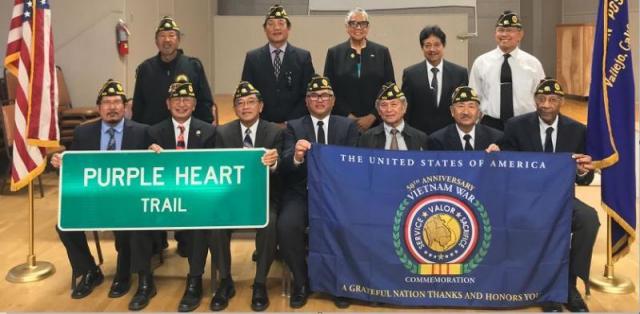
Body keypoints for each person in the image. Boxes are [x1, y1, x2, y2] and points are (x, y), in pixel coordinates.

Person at [487, 78, 599, 312]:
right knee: (536, 223)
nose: (546, 104)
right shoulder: (516, 126)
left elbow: (585, 178)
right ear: (534, 100)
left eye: (552, 100)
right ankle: (545, 288)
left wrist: (582, 171)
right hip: (525, 201)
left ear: (562, 102)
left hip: (561, 200)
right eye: (541, 99)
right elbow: (506, 169)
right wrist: (496, 154)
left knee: (588, 219)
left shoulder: (578, 130)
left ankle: (568, 285)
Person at [187, 81, 282, 312]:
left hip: (263, 198)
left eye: (251, 102)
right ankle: (225, 281)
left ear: (261, 106)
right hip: (230, 199)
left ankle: (260, 283)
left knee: (269, 223)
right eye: (240, 103)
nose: (246, 106)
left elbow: (283, 173)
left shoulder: (275, 132)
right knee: (216, 223)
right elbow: (212, 168)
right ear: (235, 108)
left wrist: (274, 163)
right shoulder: (223, 132)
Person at [51, 79, 148, 300]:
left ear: (125, 107)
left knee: (126, 220)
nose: (112, 107)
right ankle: (89, 270)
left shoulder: (142, 133)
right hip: (95, 200)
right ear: (98, 108)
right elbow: (74, 170)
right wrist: (60, 164)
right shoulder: (83, 133)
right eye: (106, 102)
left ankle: (123, 274)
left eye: (117, 102)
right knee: (64, 224)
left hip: (128, 200)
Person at [129, 75, 216, 311]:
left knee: (201, 220)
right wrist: (148, 155)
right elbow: (143, 174)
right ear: (167, 104)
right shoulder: (153, 132)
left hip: (195, 199)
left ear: (195, 104)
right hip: (162, 198)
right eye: (176, 99)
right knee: (137, 218)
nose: (181, 103)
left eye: (187, 98)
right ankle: (145, 281)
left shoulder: (208, 132)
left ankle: (195, 281)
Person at [279, 75, 359, 309]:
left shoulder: (348, 127)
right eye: (314, 96)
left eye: (325, 96)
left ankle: (339, 284)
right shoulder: (293, 127)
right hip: (301, 193)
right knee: (286, 226)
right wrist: (296, 156)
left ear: (333, 101)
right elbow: (284, 166)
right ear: (307, 101)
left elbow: (355, 165)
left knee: (345, 225)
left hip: (337, 196)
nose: (319, 99)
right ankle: (302, 282)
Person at [469, 10, 545, 130]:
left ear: (520, 35)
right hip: (491, 124)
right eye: (501, 30)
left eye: (509, 30)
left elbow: (541, 98)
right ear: (495, 34)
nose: (504, 34)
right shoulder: (481, 62)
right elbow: (474, 96)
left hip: (525, 124)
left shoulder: (533, 64)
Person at [132, 16, 214, 126]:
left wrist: (203, 132)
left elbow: (204, 103)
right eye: (162, 36)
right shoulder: (145, 69)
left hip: (188, 135)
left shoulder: (193, 66)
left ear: (178, 40)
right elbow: (138, 107)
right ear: (156, 41)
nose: (167, 40)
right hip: (153, 135)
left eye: (171, 35)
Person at [324, 7, 395, 133]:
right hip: (343, 122)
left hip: (377, 123)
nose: (358, 27)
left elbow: (389, 87)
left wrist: (373, 115)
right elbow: (329, 90)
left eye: (363, 24)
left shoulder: (382, 52)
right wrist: (348, 116)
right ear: (346, 27)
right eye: (353, 23)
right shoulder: (334, 53)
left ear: (368, 28)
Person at [241, 4, 315, 124]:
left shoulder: (303, 57)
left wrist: (289, 123)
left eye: (281, 23)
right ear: (265, 29)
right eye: (270, 24)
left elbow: (308, 95)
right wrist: (265, 123)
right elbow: (248, 95)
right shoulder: (252, 58)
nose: (276, 28)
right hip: (262, 125)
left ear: (289, 28)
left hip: (295, 125)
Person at [403, 25, 468, 135]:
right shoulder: (410, 74)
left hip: (450, 135)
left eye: (437, 45)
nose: (432, 49)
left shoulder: (459, 73)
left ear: (444, 45)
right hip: (419, 136)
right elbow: (406, 109)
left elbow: (462, 107)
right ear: (422, 47)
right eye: (427, 45)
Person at [428, 86, 502, 151]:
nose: (466, 112)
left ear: (479, 112)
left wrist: (498, 156)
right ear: (452, 111)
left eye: (471, 106)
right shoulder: (438, 140)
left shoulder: (496, 138)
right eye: (460, 106)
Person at [358, 82, 428, 150]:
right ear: (378, 111)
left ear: (404, 107)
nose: (389, 110)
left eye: (394, 104)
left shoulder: (421, 138)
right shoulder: (367, 138)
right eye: (384, 105)